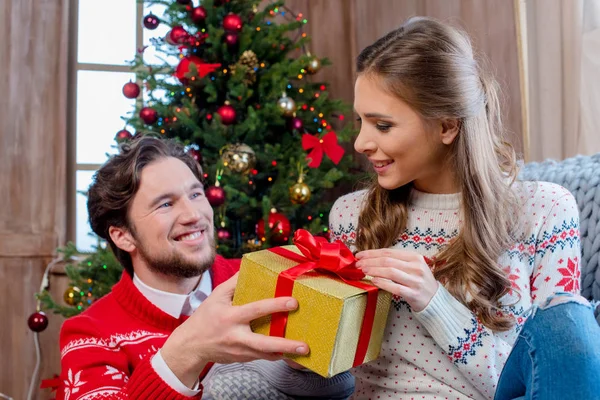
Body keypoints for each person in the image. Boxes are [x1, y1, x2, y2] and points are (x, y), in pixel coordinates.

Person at [329, 16, 600, 400]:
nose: (360, 143)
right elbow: (338, 380)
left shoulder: (545, 210)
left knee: (569, 318)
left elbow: (541, 381)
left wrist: (433, 301)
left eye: (383, 125)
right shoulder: (350, 217)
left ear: (447, 126)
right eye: (361, 121)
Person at [56, 136, 354, 400]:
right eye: (165, 204)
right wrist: (189, 349)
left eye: (196, 194)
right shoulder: (90, 334)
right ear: (123, 235)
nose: (194, 214)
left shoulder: (266, 281)